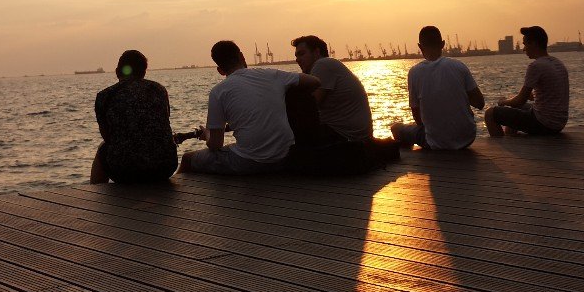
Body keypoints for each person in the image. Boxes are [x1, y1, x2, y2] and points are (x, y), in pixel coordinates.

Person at [180, 40, 321, 175]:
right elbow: (315, 81)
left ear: (220, 71)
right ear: (242, 56)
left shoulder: (218, 91)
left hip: (248, 162)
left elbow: (216, 144)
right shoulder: (273, 75)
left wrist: (207, 135)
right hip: (285, 156)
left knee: (187, 159)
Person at [90, 49, 178, 184]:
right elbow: (165, 121)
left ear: (117, 71)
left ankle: (96, 192)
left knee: (103, 148)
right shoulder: (159, 90)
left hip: (125, 171)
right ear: (144, 72)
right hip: (165, 167)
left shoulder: (105, 96)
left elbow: (107, 136)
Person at [390, 25, 485, 150]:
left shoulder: (414, 72)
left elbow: (417, 116)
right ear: (443, 44)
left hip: (435, 142)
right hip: (467, 138)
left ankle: (410, 159)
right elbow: (480, 103)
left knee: (396, 128)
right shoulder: (459, 66)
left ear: (420, 47)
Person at [484, 25, 569, 137]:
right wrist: (530, 96)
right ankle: (511, 139)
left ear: (533, 44)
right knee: (515, 108)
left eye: (525, 44)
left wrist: (503, 102)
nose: (524, 49)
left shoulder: (536, 66)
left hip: (543, 123)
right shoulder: (558, 63)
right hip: (558, 124)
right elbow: (550, 94)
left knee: (490, 113)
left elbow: (519, 101)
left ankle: (501, 146)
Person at [290, 35, 373, 143]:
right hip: (353, 134)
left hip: (345, 136)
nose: (297, 60)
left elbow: (311, 105)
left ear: (316, 52)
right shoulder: (328, 65)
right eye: (296, 56)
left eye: (302, 54)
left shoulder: (323, 65)